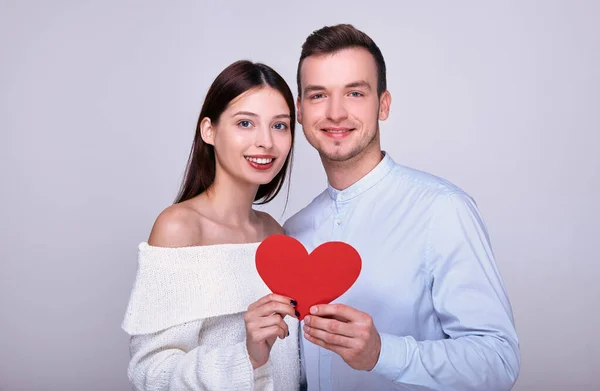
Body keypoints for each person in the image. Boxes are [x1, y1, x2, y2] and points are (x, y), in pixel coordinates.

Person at [283, 24, 520, 391]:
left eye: (355, 93)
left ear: (384, 104)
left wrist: (383, 354)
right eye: (317, 95)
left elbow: (499, 361)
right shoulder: (294, 231)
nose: (335, 112)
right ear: (300, 110)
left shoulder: (442, 211)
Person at [122, 60, 302, 390]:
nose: (266, 141)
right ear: (209, 130)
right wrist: (247, 356)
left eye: (280, 126)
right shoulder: (179, 228)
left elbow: (289, 364)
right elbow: (150, 371)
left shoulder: (277, 234)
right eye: (245, 123)